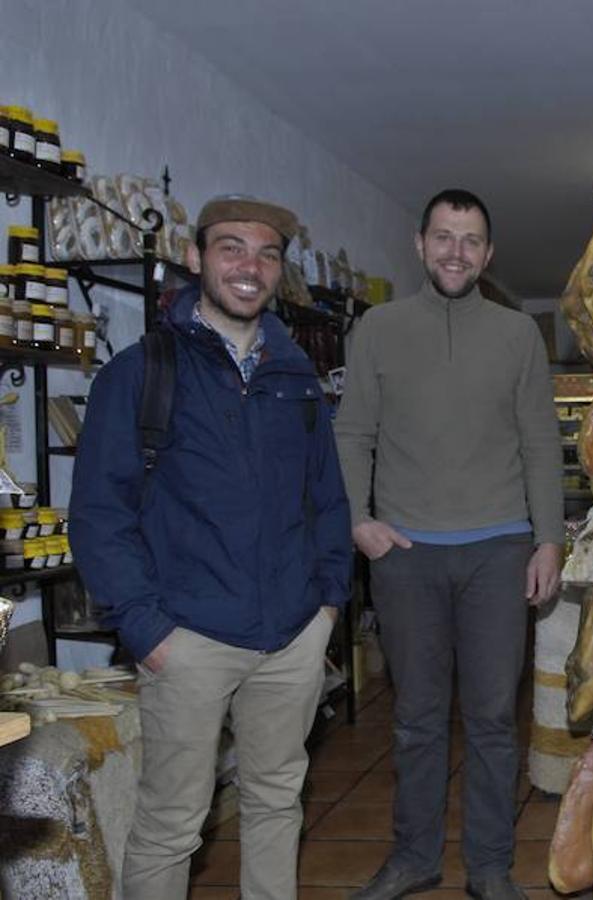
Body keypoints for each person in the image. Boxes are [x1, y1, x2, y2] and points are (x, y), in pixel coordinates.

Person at [70, 195, 352, 900]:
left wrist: (326, 609)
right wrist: (146, 629)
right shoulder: (139, 373)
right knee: (171, 824)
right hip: (186, 637)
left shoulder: (295, 378)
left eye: (266, 253)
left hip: (289, 635)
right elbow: (100, 513)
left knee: (275, 803)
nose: (248, 266)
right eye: (230, 247)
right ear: (195, 258)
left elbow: (328, 499)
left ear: (279, 272)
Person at [336, 189, 564, 900]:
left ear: (487, 253)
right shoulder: (377, 327)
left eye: (469, 240)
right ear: (419, 244)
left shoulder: (517, 334)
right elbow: (353, 433)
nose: (455, 252)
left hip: (499, 550)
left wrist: (548, 538)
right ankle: (415, 857)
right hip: (405, 555)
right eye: (443, 237)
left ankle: (490, 868)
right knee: (415, 719)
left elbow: (537, 443)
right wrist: (356, 519)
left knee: (494, 719)